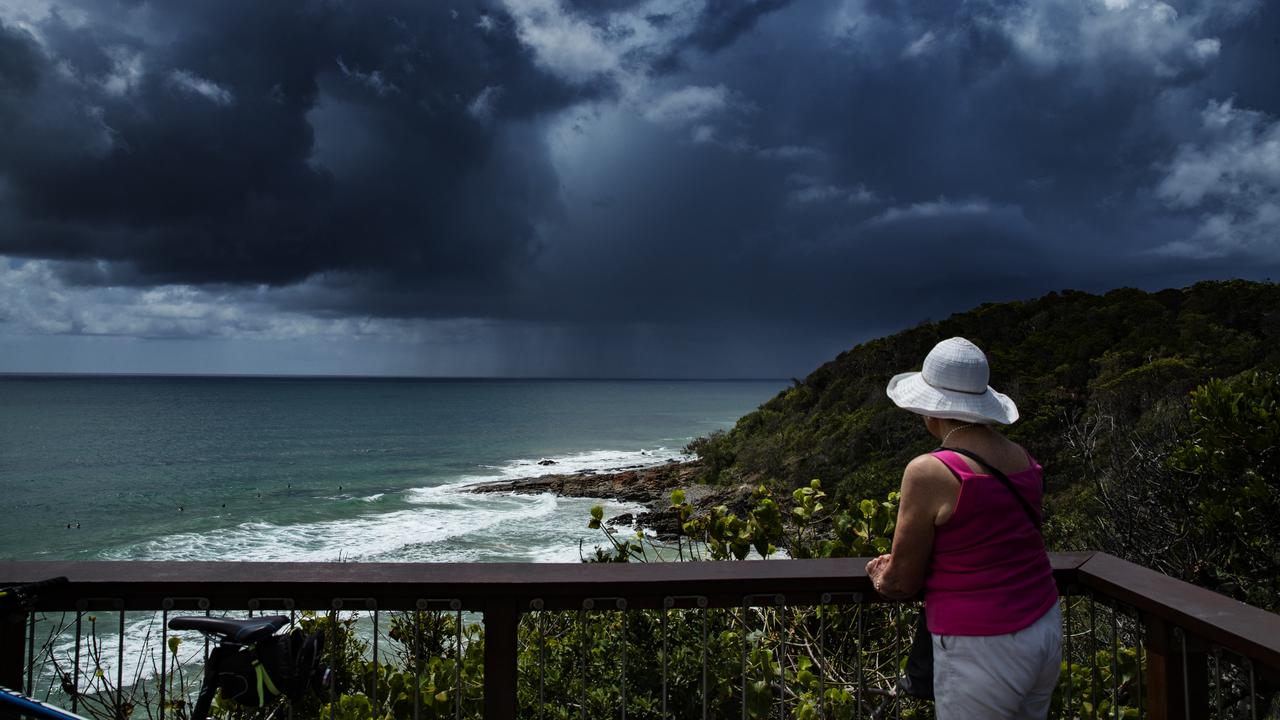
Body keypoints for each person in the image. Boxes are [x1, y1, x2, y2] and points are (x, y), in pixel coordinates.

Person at [864, 337, 1061, 719]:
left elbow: (902, 580)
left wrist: (878, 576)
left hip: (982, 642)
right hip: (1044, 623)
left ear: (931, 411)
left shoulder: (929, 471)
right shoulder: (1023, 459)